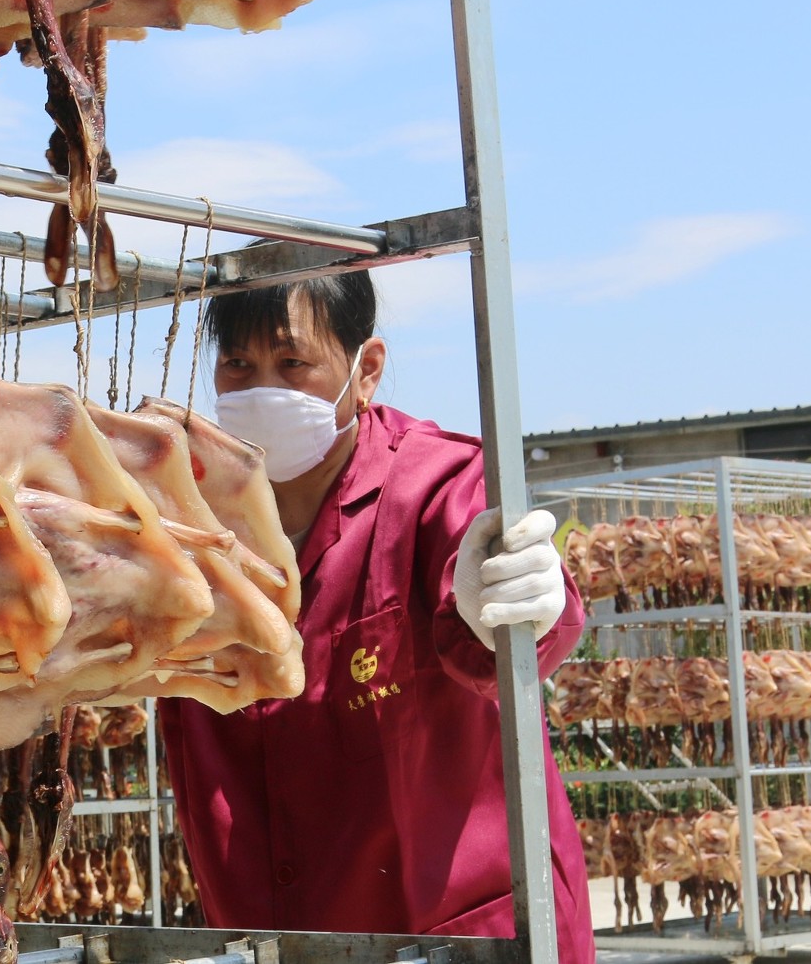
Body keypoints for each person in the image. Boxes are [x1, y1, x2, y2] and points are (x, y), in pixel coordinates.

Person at [157, 272, 594, 964]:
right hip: (271, 939)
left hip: (452, 938)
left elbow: (504, 626)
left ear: (367, 370)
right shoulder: (188, 522)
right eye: (238, 363)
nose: (261, 387)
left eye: (292, 362)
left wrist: (524, 603)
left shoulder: (439, 484)